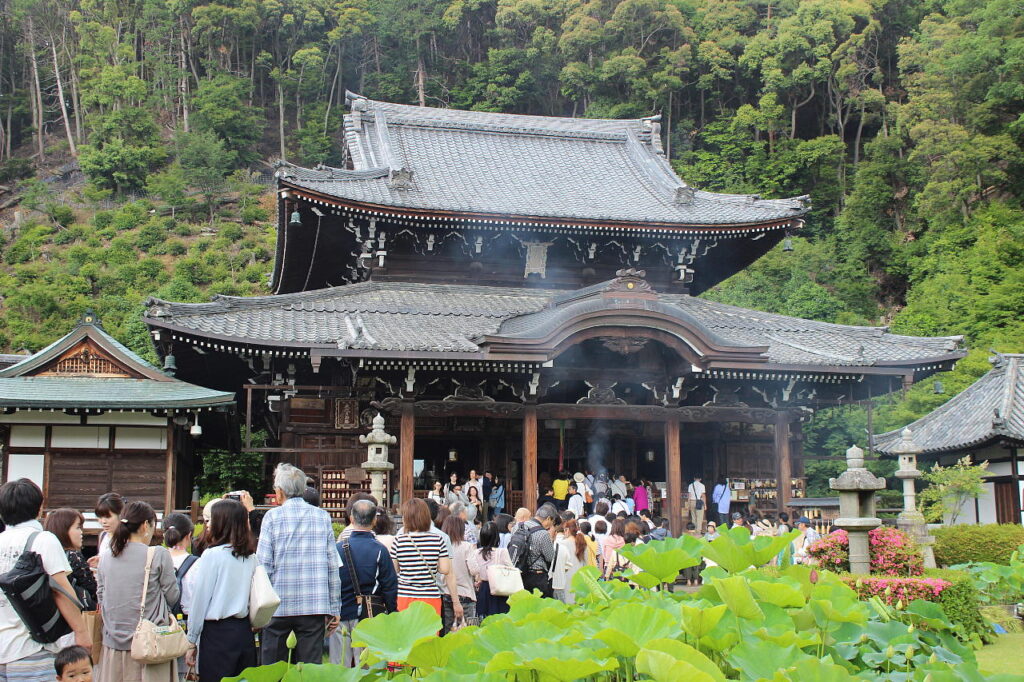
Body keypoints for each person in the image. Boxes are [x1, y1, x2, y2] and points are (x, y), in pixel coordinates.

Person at [0, 479, 90, 682]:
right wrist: (82, 634)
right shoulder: (43, 540)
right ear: (39, 508)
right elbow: (61, 591)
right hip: (33, 649)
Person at [257, 463, 341, 665]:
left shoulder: (272, 517)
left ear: (279, 491)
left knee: (272, 670)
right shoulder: (322, 517)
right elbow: (332, 565)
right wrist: (335, 607)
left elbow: (263, 566)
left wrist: (257, 610)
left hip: (277, 605)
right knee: (308, 671)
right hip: (313, 604)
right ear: (303, 489)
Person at [97, 500, 178, 682]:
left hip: (113, 644)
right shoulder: (157, 554)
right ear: (145, 526)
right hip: (151, 646)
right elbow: (172, 596)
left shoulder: (106, 556)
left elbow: (101, 595)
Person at [184, 499, 257, 681]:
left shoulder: (212, 555)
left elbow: (200, 600)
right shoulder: (251, 557)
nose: (208, 525)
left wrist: (191, 641)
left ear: (222, 523)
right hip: (244, 631)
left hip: (217, 634)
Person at [331, 499, 397, 667]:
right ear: (374, 520)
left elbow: (331, 583)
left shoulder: (338, 548)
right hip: (370, 615)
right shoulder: (379, 550)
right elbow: (389, 587)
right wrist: (391, 612)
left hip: (341, 613)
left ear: (351, 519)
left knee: (340, 667)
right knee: (368, 668)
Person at [391, 499, 458, 620]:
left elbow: (394, 569)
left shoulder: (399, 540)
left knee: (406, 635)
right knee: (429, 635)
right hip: (430, 596)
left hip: (405, 595)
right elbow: (445, 569)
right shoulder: (438, 539)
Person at [44, 508, 97, 611]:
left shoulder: (47, 555)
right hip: (75, 614)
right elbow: (92, 591)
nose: (81, 532)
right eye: (78, 527)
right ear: (63, 530)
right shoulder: (73, 556)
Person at [439, 516, 477, 634]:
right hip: (465, 593)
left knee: (447, 631)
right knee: (467, 633)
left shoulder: (441, 546)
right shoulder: (466, 547)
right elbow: (474, 569)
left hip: (445, 593)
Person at [467, 522, 513, 618]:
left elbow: (473, 571)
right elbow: (511, 570)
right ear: (497, 536)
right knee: (500, 619)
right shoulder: (502, 552)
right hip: (500, 589)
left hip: (484, 588)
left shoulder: (476, 553)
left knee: (484, 618)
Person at [511, 505, 557, 598]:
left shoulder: (517, 527)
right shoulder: (543, 534)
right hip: (537, 576)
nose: (551, 525)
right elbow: (550, 557)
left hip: (519, 574)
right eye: (551, 522)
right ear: (548, 518)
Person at [552, 519, 589, 604]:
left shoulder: (561, 544)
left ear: (567, 530)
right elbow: (586, 564)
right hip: (579, 579)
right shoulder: (583, 544)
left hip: (565, 579)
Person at [87, 492, 124, 569]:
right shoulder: (103, 535)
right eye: (100, 517)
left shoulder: (128, 537)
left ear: (120, 515)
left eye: (108, 517)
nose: (103, 521)